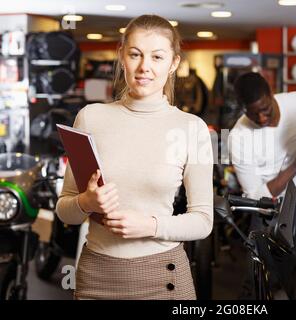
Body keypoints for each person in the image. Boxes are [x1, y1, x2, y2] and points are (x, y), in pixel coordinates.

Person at [56, 15, 213, 300]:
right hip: (96, 276)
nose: (145, 67)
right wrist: (85, 202)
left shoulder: (193, 128)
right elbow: (64, 210)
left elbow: (203, 221)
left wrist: (150, 225)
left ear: (173, 63)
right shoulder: (90, 118)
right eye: (135, 54)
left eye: (157, 57)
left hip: (164, 277)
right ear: (121, 56)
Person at [229, 72, 296, 202]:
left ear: (271, 93)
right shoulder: (238, 138)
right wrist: (295, 166)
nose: (261, 118)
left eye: (265, 109)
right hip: (279, 214)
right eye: (253, 114)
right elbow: (255, 197)